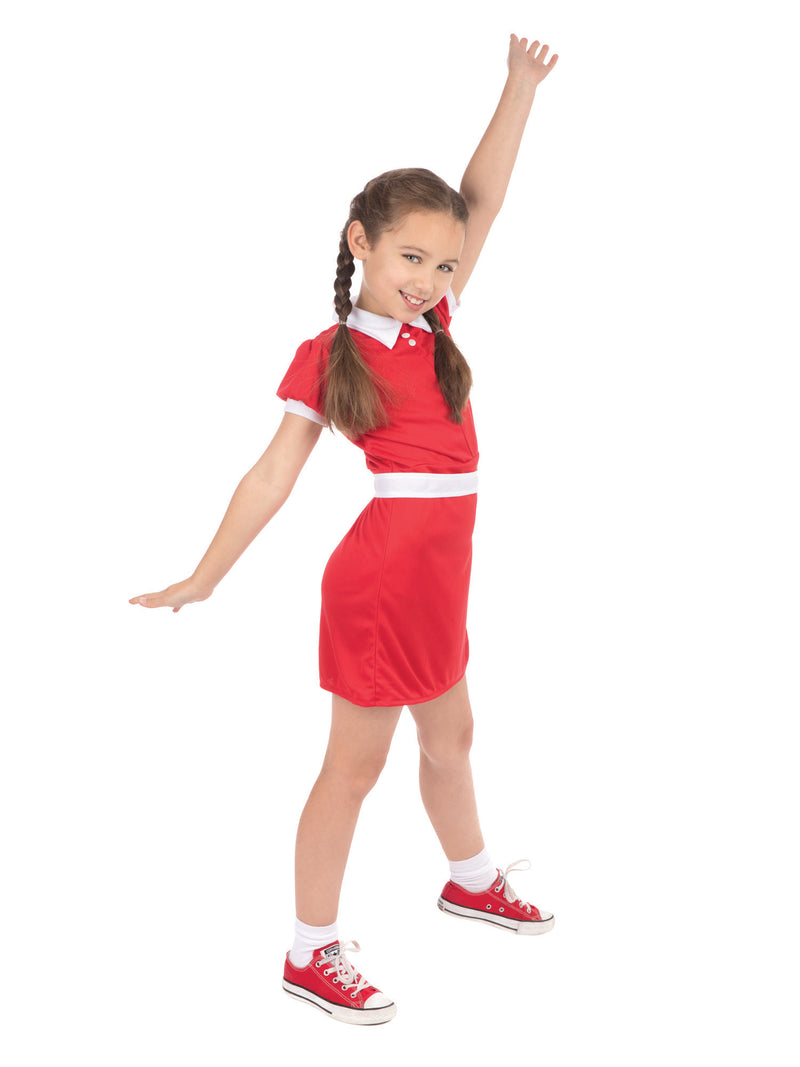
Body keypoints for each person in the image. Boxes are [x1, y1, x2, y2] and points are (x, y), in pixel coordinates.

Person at [130, 33, 559, 1026]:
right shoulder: (333, 353)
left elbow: (482, 199)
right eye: (411, 256)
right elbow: (271, 475)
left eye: (443, 262)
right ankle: (309, 950)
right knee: (354, 767)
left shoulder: (435, 324)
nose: (430, 275)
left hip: (437, 579)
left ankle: (470, 878)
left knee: (452, 734)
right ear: (359, 241)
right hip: (379, 585)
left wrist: (519, 87)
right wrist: (203, 575)